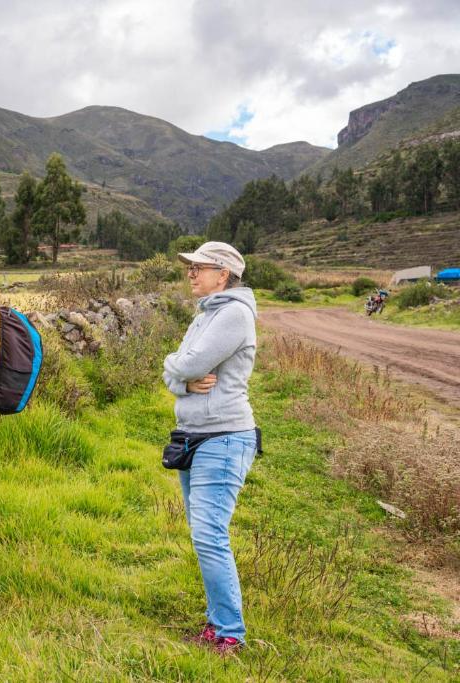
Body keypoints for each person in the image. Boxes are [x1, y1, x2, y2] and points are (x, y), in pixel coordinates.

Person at [162, 241, 259, 655]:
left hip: (223, 437)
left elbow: (184, 364)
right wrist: (180, 379)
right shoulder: (205, 315)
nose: (190, 273)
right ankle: (219, 624)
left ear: (223, 275)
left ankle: (229, 633)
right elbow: (176, 371)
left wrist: (179, 370)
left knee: (208, 535)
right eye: (190, 267)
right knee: (204, 535)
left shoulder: (234, 314)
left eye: (198, 267)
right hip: (195, 437)